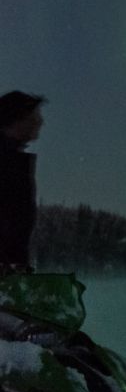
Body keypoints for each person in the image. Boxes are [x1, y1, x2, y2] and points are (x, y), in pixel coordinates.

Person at [0, 91, 46, 271]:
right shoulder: (5, 160)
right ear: (16, 119)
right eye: (34, 116)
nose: (40, 121)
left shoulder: (12, 159)